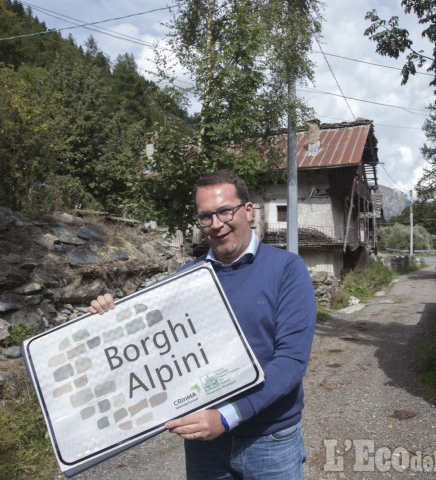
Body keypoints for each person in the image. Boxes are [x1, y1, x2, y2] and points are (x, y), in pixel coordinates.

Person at [89, 170, 316, 479]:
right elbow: (152, 350)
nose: (217, 225)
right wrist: (109, 321)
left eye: (225, 211)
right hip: (204, 447)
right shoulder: (185, 279)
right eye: (206, 217)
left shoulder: (287, 270)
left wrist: (226, 417)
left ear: (248, 211)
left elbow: (290, 362)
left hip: (270, 440)